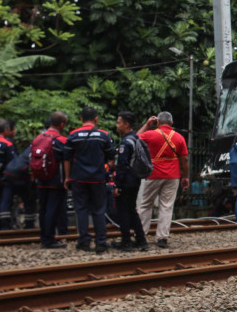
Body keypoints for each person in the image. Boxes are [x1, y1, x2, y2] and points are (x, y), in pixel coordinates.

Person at [64, 106, 115, 252]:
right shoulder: (103, 135)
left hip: (78, 178)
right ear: (96, 119)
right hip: (98, 178)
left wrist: (67, 177)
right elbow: (111, 156)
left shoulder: (73, 135)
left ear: (81, 119)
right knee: (99, 210)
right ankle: (101, 242)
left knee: (81, 209)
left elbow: (66, 159)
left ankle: (84, 241)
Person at [136, 111, 189, 248]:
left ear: (158, 122)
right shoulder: (179, 137)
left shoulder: (149, 134)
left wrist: (147, 125)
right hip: (172, 176)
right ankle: (162, 238)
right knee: (166, 206)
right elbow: (184, 159)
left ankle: (141, 235)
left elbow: (134, 139)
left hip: (152, 174)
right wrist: (185, 177)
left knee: (145, 205)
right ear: (171, 123)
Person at [111, 111, 148, 251]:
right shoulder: (136, 139)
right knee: (132, 210)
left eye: (119, 122)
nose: (117, 125)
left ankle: (126, 241)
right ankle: (141, 239)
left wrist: (117, 185)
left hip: (126, 181)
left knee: (123, 211)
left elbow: (122, 166)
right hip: (136, 179)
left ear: (126, 124)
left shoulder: (126, 142)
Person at [34, 111, 69, 248]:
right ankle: (49, 240)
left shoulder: (38, 138)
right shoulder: (61, 140)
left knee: (43, 208)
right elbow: (67, 160)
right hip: (55, 180)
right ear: (61, 124)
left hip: (40, 179)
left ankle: (44, 237)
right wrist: (67, 178)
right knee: (52, 209)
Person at [0, 121, 37, 230]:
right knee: (29, 199)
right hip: (21, 176)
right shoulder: (9, 144)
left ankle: (5, 226)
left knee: (6, 200)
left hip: (7, 174)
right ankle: (29, 225)